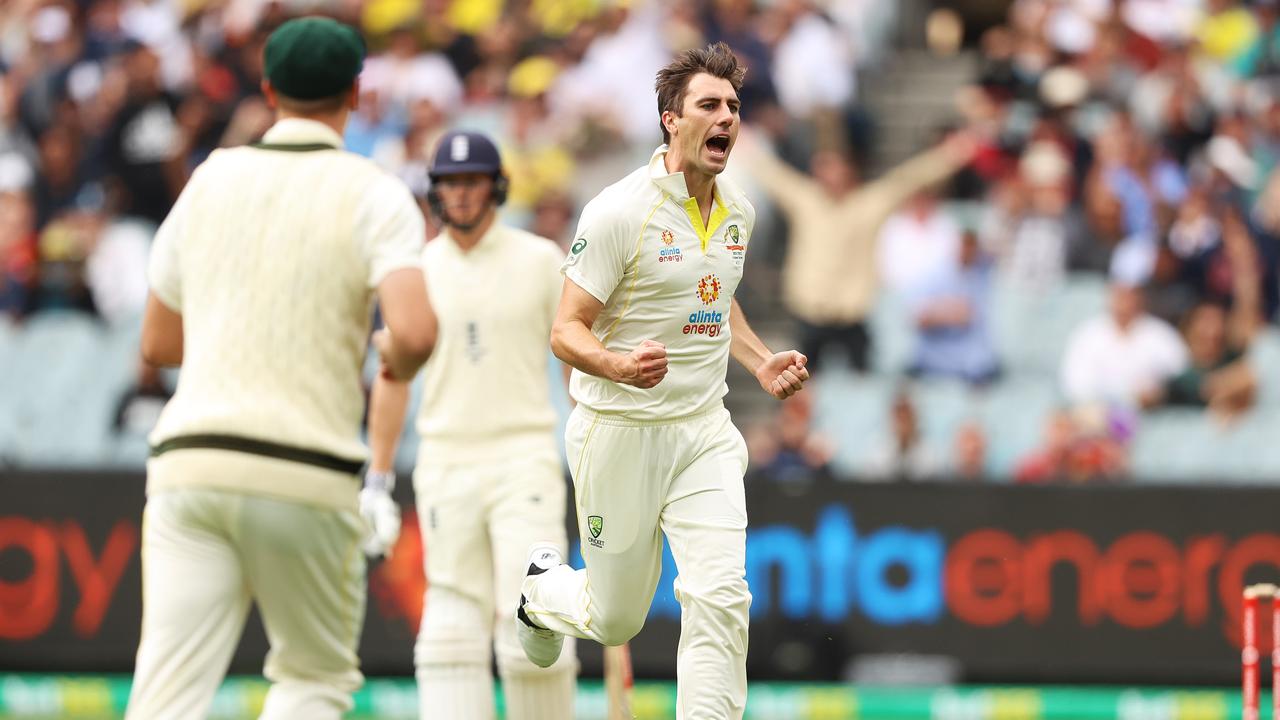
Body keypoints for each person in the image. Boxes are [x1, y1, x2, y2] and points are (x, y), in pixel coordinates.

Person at [126, 18, 436, 720]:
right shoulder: (375, 192)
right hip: (305, 469)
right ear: (356, 93)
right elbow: (414, 332)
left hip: (189, 462)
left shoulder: (210, 178)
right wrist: (393, 354)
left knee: (165, 693)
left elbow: (156, 343)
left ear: (267, 89)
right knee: (313, 681)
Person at [515, 43, 809, 718]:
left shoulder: (738, 209)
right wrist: (618, 366)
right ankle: (539, 594)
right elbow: (566, 329)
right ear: (671, 119)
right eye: (710, 105)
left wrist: (757, 359)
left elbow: (715, 294)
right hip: (619, 432)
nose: (726, 118)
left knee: (721, 596)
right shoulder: (619, 212)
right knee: (615, 619)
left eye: (734, 106)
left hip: (703, 432)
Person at [364, 130, 577, 720]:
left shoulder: (539, 259)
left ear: (496, 186)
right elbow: (392, 376)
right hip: (445, 460)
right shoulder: (416, 271)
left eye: (471, 181)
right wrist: (377, 478)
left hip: (523, 455)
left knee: (532, 614)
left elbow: (573, 353)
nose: (459, 194)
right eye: (448, 183)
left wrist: (594, 447)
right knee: (450, 629)